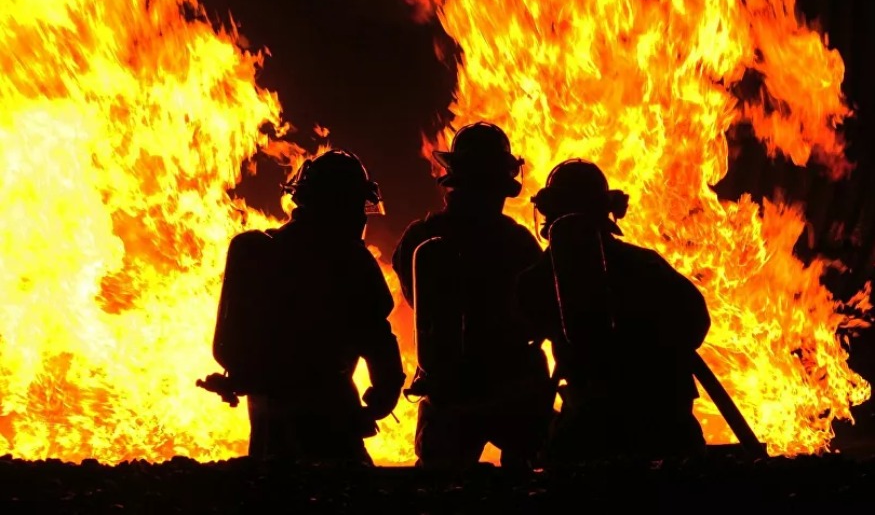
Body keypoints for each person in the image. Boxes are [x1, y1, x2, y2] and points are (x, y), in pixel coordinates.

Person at [209, 149, 406, 466]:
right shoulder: (354, 263)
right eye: (357, 207)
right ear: (344, 207)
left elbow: (229, 347)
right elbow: (377, 338)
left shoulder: (254, 251)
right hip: (330, 411)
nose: (360, 217)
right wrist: (384, 391)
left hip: (267, 408)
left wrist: (247, 377)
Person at [517, 159, 711, 464]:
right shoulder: (648, 264)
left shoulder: (540, 279)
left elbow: (519, 333)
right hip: (668, 423)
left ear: (547, 213)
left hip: (593, 428)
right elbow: (696, 323)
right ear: (607, 212)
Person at [392, 121, 555, 469]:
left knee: (436, 490)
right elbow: (545, 310)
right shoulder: (519, 242)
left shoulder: (420, 237)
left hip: (448, 390)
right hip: (514, 388)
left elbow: (416, 301)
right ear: (503, 184)